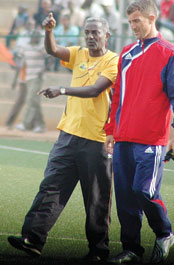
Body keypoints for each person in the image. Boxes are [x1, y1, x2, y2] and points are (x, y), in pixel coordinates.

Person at [7, 14, 119, 263]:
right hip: (68, 136)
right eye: (87, 32)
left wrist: (62, 89)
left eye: (95, 33)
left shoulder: (114, 61)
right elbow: (53, 49)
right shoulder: (79, 53)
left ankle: (98, 251)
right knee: (51, 187)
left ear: (107, 36)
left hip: (98, 140)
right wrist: (48, 31)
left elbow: (95, 90)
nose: (90, 37)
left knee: (97, 199)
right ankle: (33, 239)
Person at [104, 0, 174, 264]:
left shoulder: (170, 53)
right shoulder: (127, 53)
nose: (133, 27)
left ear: (152, 18)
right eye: (130, 22)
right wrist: (110, 129)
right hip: (123, 139)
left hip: (151, 140)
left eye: (137, 21)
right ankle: (131, 249)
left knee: (144, 191)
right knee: (125, 199)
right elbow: (117, 96)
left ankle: (164, 233)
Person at [14, 29, 47, 133]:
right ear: (31, 37)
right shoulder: (25, 48)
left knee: (30, 99)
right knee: (34, 101)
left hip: (37, 77)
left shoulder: (41, 48)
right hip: (28, 77)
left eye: (38, 36)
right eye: (35, 36)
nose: (36, 38)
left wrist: (43, 69)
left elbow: (49, 56)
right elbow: (19, 60)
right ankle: (40, 125)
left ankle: (26, 124)